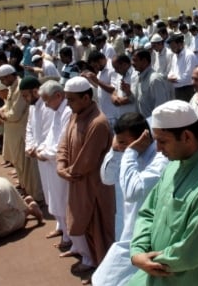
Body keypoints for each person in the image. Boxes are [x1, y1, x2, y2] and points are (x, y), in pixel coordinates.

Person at [128, 100, 198, 286]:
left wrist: (147, 262)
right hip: (153, 275)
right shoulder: (174, 165)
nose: (158, 149)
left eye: (163, 142)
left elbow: (189, 254)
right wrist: (137, 252)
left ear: (186, 136)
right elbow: (148, 212)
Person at [93, 113, 168, 286]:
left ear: (143, 138)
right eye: (118, 141)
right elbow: (107, 177)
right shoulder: (125, 152)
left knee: (106, 280)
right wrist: (116, 151)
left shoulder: (160, 158)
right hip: (128, 228)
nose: (121, 146)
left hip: (149, 233)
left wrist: (129, 152)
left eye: (124, 142)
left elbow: (134, 190)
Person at [56, 76, 115, 283]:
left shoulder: (98, 122)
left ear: (86, 97)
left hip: (95, 186)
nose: (68, 104)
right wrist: (61, 164)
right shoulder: (76, 114)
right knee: (83, 224)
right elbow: (64, 140)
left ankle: (104, 273)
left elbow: (87, 160)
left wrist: (68, 171)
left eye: (72, 99)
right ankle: (91, 261)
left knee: (99, 230)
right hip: (78, 181)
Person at [36, 81, 73, 250]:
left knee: (63, 200)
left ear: (58, 96)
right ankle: (64, 231)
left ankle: (70, 237)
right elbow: (52, 135)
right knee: (55, 199)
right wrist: (42, 149)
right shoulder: (57, 110)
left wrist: (46, 153)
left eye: (46, 100)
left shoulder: (67, 111)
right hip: (50, 161)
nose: (45, 104)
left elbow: (62, 142)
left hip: (59, 163)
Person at [0, 65, 30, 194]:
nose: (3, 83)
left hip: (20, 130)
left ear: (9, 76)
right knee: (17, 160)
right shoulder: (12, 87)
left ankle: (29, 189)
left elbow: (15, 114)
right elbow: (8, 105)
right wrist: (2, 110)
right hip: (12, 130)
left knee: (23, 162)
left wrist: (2, 114)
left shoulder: (20, 88)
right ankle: (23, 184)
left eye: (3, 79)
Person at [129, 49, 174, 118]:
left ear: (144, 61)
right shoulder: (139, 78)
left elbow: (161, 108)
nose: (132, 63)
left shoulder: (155, 80)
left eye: (135, 60)